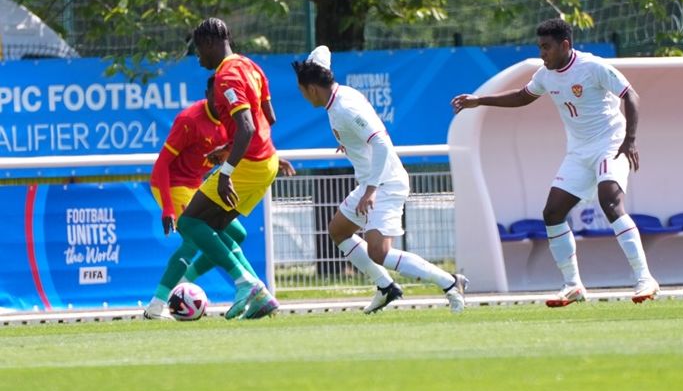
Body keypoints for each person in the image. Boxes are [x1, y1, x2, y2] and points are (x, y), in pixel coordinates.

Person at [451, 17, 659, 306]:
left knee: (610, 201)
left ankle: (644, 278)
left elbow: (630, 96)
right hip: (578, 152)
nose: (542, 53)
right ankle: (573, 285)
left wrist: (631, 140)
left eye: (547, 47)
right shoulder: (546, 75)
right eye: (540, 47)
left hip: (610, 144)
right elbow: (523, 97)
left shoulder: (593, 66)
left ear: (565, 45)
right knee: (552, 213)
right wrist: (480, 101)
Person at [292, 45, 468, 314]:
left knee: (379, 252)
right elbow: (365, 135)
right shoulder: (339, 97)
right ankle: (386, 287)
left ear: (312, 88)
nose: (302, 96)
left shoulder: (344, 107)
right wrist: (350, 145)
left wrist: (370, 191)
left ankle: (450, 282)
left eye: (302, 91)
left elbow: (382, 144)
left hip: (385, 184)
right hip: (372, 182)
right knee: (338, 230)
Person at [176, 17, 292, 319]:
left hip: (248, 164)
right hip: (265, 160)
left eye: (199, 50)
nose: (198, 57)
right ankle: (262, 296)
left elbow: (247, 126)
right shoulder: (250, 66)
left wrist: (226, 170)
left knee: (188, 223)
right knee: (213, 226)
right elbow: (270, 117)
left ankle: (246, 284)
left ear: (211, 44)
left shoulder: (226, 77)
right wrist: (230, 148)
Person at [143, 76, 260, 320]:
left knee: (237, 234)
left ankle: (185, 278)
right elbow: (162, 165)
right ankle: (156, 306)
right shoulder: (189, 120)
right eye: (215, 96)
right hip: (172, 185)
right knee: (194, 239)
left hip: (198, 185)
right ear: (207, 93)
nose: (221, 102)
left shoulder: (230, 120)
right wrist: (167, 208)